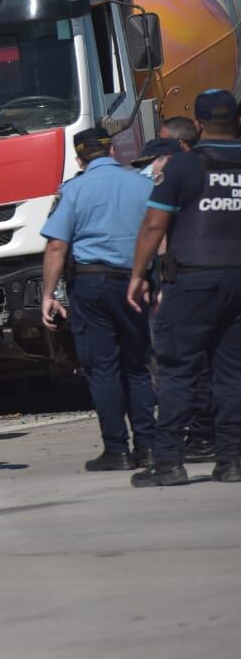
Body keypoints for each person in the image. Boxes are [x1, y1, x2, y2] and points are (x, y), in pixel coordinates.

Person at [128, 90, 241, 486]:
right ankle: (232, 461)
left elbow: (155, 225)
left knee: (178, 372)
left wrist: (139, 273)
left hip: (193, 280)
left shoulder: (182, 167)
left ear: (197, 125)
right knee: (232, 374)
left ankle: (168, 463)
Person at [40, 127, 156, 470]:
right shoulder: (144, 184)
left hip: (91, 286)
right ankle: (147, 446)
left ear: (79, 158)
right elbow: (160, 234)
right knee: (137, 366)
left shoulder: (73, 189)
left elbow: (57, 245)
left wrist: (49, 293)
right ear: (113, 152)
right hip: (135, 283)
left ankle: (116, 449)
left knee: (102, 368)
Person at [134, 139, 215, 463]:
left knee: (178, 365)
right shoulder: (210, 175)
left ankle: (174, 453)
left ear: (167, 158)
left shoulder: (177, 179)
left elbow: (159, 232)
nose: (147, 168)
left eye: (151, 161)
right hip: (215, 276)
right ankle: (223, 448)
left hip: (183, 281)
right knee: (218, 365)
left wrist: (145, 276)